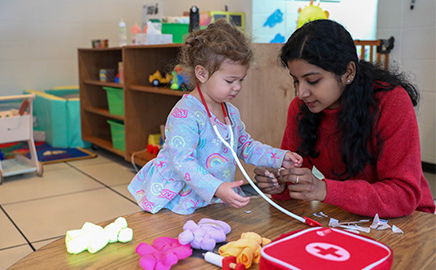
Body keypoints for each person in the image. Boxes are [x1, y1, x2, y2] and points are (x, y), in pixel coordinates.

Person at [254, 19, 435, 218]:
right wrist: (280, 185)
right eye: (296, 80)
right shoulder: (300, 109)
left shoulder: (390, 101)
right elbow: (295, 188)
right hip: (347, 217)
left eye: (313, 80)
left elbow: (403, 196)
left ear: (348, 72)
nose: (301, 93)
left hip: (410, 220)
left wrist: (326, 190)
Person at [128, 20, 303, 215]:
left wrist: (279, 157)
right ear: (201, 73)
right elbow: (183, 162)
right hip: (182, 199)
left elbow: (245, 146)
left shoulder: (230, 112)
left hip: (213, 198)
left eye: (241, 80)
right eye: (230, 80)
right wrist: (216, 188)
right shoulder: (185, 114)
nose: (237, 87)